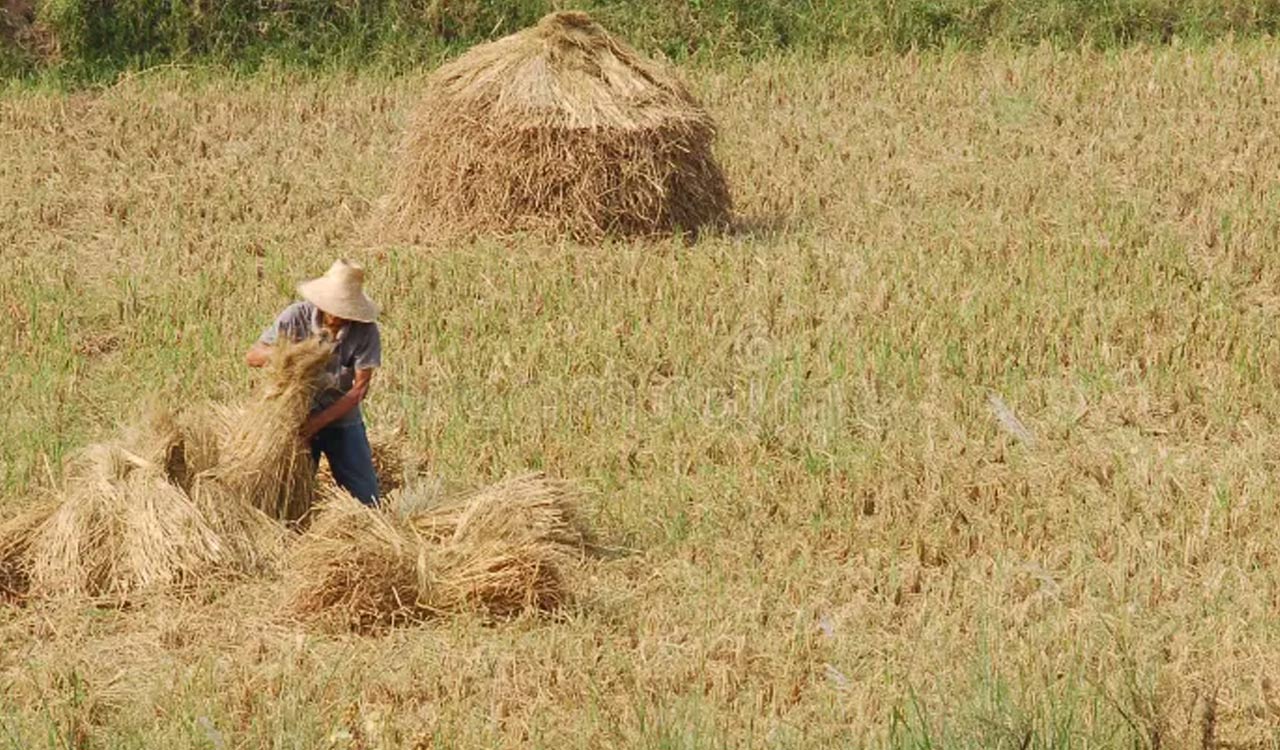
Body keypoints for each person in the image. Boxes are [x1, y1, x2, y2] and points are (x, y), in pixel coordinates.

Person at [245, 259, 382, 506]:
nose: (341, 317)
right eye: (337, 309)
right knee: (289, 499)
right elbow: (253, 356)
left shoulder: (366, 331)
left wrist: (317, 423)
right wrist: (289, 354)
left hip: (341, 420)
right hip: (294, 419)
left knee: (366, 500)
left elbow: (359, 389)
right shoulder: (295, 316)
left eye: (347, 311)